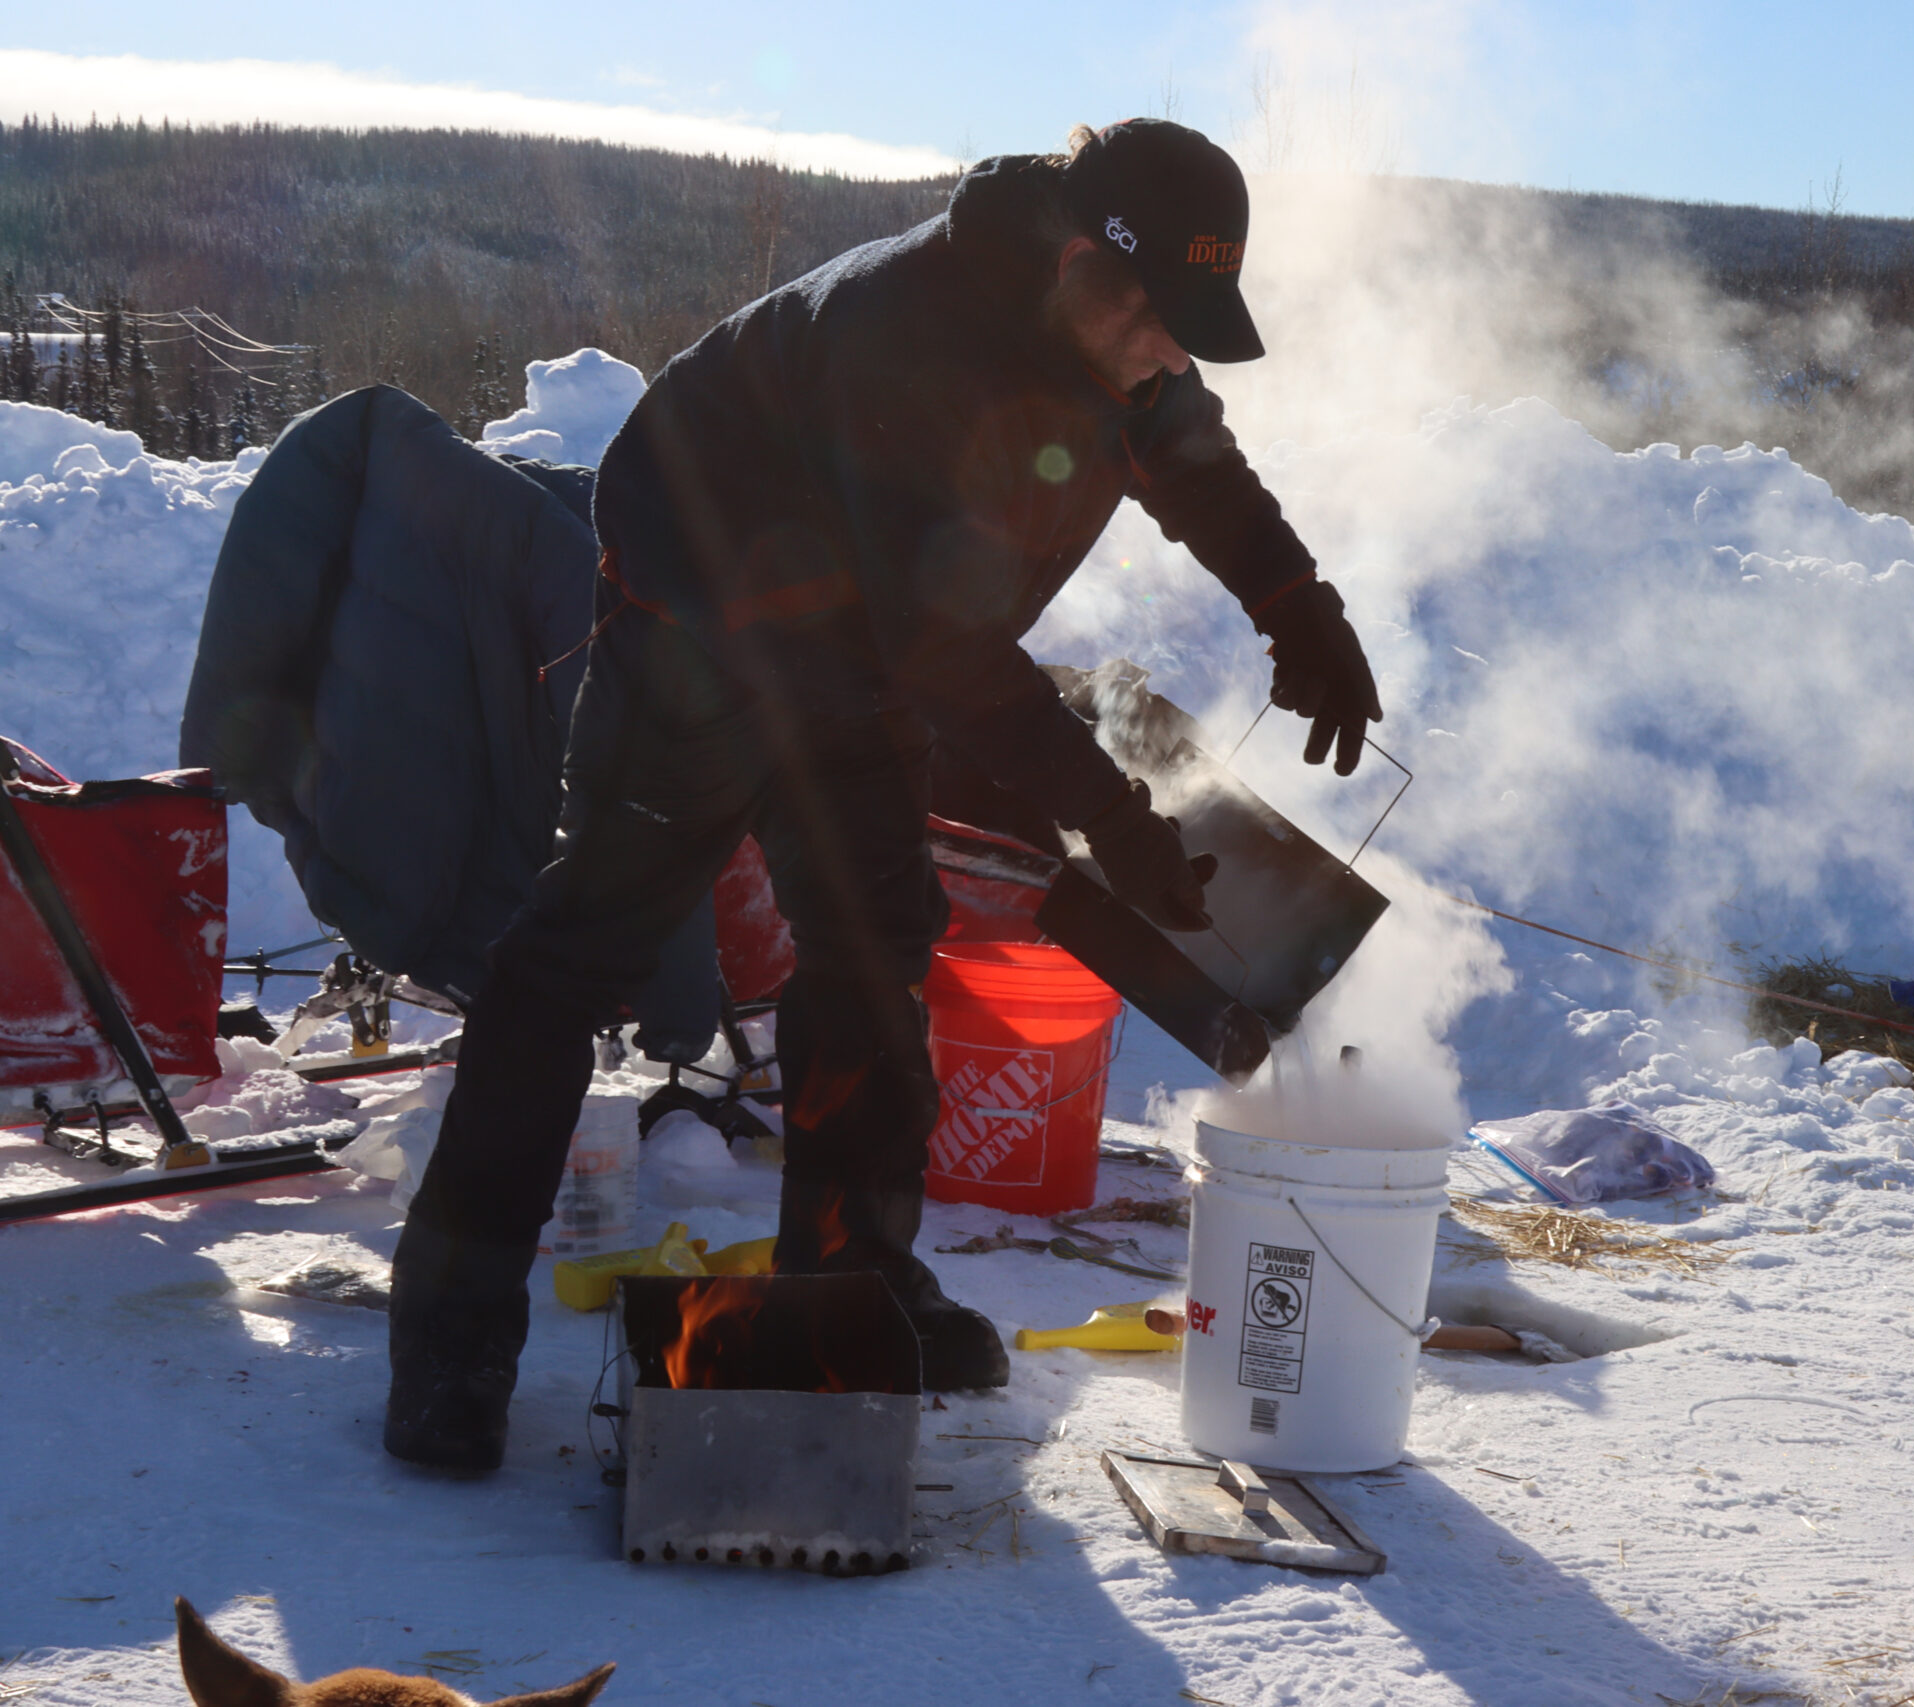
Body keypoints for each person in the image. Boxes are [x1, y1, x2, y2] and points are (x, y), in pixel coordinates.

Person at [383, 119, 1383, 1472]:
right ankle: (450, 1335)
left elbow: (1188, 457)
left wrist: (1296, 607)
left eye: (1189, 328)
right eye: (1157, 318)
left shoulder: (1101, 331)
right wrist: (1111, 818)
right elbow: (948, 656)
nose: (1171, 352)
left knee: (874, 946)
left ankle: (850, 1286)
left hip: (857, 652)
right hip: (702, 627)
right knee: (579, 958)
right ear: (1085, 259)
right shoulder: (913, 343)